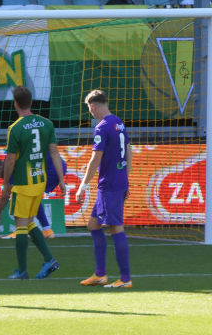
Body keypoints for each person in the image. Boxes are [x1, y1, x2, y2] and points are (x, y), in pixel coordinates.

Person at [0, 86, 66, 280]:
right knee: (29, 222)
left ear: (15, 104)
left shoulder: (14, 128)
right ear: (31, 102)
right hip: (40, 180)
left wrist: (6, 183)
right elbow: (54, 152)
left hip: (23, 182)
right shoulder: (46, 124)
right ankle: (49, 259)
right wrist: (62, 181)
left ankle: (22, 271)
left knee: (21, 226)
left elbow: (11, 160)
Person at [76, 90, 132, 288]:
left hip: (109, 184)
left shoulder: (102, 127)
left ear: (94, 106)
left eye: (89, 109)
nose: (90, 113)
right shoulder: (119, 123)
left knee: (115, 227)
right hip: (116, 181)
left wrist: (83, 185)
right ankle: (100, 274)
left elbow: (95, 158)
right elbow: (129, 151)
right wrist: (126, 178)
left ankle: (125, 279)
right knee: (93, 224)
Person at [0, 150, 67, 240]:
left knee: (22, 195)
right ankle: (46, 230)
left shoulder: (10, 166)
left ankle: (22, 230)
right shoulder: (11, 160)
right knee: (31, 195)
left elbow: (5, 196)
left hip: (51, 169)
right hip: (58, 166)